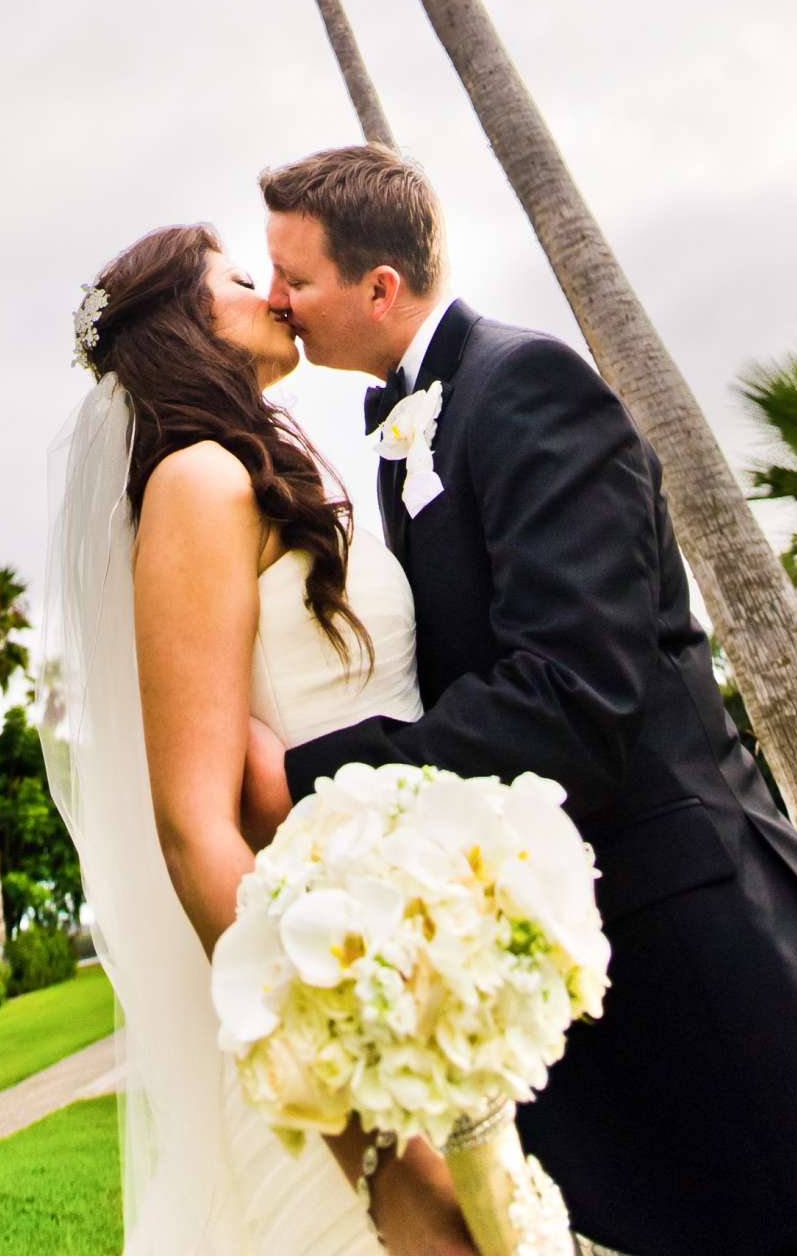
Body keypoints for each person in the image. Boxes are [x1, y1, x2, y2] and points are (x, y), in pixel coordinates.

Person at [239, 142, 797, 1256]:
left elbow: (574, 693)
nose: (278, 303)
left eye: (293, 280)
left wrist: (310, 779)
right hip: (623, 980)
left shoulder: (524, 385)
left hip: (725, 962)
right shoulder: (405, 437)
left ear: (379, 288)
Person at [39, 221, 479, 1254]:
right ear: (187, 327)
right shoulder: (198, 483)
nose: (276, 293)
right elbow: (195, 830)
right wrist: (365, 1136)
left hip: (417, 941)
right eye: (242, 280)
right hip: (336, 1004)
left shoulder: (260, 467)